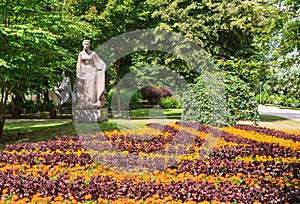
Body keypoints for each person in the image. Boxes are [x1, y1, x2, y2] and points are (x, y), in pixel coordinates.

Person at [75, 40, 106, 107]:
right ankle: (84, 101)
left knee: (91, 86)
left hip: (92, 72)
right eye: (85, 44)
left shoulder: (93, 54)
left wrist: (102, 68)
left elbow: (99, 62)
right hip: (84, 72)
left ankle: (92, 101)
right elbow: (79, 63)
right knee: (83, 87)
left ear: (89, 45)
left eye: (87, 44)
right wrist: (78, 71)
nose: (86, 45)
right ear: (83, 45)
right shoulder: (81, 54)